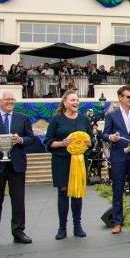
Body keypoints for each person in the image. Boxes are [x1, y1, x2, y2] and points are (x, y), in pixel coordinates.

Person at [0, 90, 35, 248]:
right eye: (8, 99)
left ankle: (18, 232)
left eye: (13, 100)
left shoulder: (23, 118)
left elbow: (31, 138)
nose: (11, 102)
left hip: (16, 165)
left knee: (18, 201)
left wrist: (20, 139)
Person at [44, 91, 93, 239]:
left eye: (77, 100)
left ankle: (77, 226)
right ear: (65, 102)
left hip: (79, 160)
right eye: (72, 100)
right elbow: (48, 141)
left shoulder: (84, 120)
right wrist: (62, 143)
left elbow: (91, 140)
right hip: (61, 160)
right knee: (63, 192)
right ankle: (62, 228)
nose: (75, 102)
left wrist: (90, 143)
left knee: (77, 193)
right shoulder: (56, 120)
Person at [103, 85, 130, 234]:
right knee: (117, 190)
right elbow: (104, 134)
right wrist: (111, 137)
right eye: (128, 97)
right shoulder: (111, 115)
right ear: (120, 98)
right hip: (118, 157)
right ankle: (117, 222)